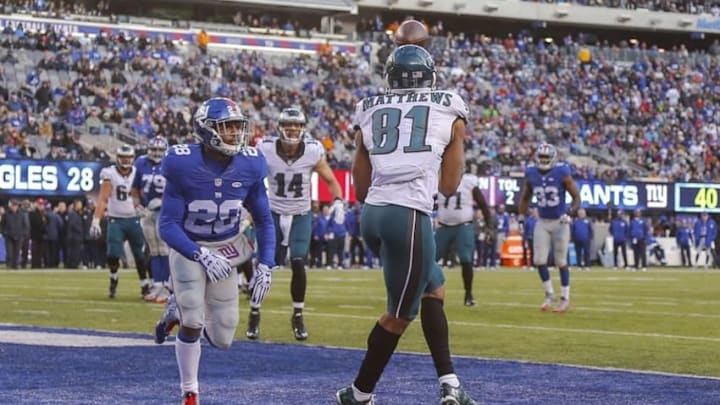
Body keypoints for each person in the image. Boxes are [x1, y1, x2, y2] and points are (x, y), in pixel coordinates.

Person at [336, 44, 477, 405]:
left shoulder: (368, 108)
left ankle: (450, 383)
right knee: (399, 315)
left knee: (435, 287)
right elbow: (449, 185)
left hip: (374, 215)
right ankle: (359, 392)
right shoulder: (449, 105)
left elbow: (361, 186)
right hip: (408, 214)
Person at [155, 97, 276, 405]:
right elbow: (167, 225)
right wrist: (200, 254)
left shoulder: (251, 163)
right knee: (194, 318)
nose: (236, 134)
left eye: (238, 127)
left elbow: (264, 219)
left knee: (222, 338)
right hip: (189, 245)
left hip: (225, 248)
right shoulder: (182, 163)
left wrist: (265, 266)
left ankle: (174, 308)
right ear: (207, 131)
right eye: (228, 128)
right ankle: (190, 391)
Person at [256, 107, 344, 341]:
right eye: (288, 125)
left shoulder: (313, 151)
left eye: (296, 125)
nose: (292, 129)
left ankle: (297, 315)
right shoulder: (265, 148)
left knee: (298, 261)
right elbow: (248, 174)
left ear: (303, 128)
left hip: (300, 213)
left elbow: (331, 180)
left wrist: (338, 201)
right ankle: (254, 313)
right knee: (265, 264)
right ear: (280, 127)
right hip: (273, 212)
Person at [518, 143, 580, 313]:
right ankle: (549, 294)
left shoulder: (562, 172)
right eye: (542, 157)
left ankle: (565, 298)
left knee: (561, 261)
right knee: (539, 260)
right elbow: (525, 198)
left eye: (547, 158)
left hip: (560, 221)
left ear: (552, 159)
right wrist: (521, 218)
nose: (544, 161)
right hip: (543, 221)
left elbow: (576, 196)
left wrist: (571, 213)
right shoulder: (531, 173)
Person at [90, 145, 151, 298]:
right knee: (112, 254)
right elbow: (103, 198)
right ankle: (114, 278)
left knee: (140, 255)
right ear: (117, 157)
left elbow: (145, 193)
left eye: (128, 157)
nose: (125, 160)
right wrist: (96, 220)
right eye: (122, 157)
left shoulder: (137, 173)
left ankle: (144, 284)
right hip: (115, 219)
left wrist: (145, 207)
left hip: (134, 219)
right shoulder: (109, 173)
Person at [434, 165, 489, 306]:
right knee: (430, 259)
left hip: (463, 225)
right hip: (444, 226)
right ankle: (425, 291)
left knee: (466, 260)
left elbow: (482, 202)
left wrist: (489, 224)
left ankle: (468, 295)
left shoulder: (468, 181)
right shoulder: (438, 179)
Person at [131, 135, 172, 303]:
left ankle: (167, 286)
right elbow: (135, 188)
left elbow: (178, 187)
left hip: (166, 210)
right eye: (154, 149)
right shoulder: (141, 163)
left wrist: (165, 202)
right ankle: (156, 283)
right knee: (153, 248)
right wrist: (137, 205)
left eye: (160, 150)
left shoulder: (171, 163)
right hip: (148, 211)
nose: (156, 153)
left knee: (164, 248)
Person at [1, 199, 28, 269]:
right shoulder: (6, 214)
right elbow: (2, 225)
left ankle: (15, 265)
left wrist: (23, 234)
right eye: (13, 205)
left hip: (19, 236)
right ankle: (9, 265)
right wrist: (4, 233)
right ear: (11, 206)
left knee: (17, 252)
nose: (14, 207)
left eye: (16, 205)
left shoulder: (22, 214)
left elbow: (25, 225)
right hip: (9, 236)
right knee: (9, 252)